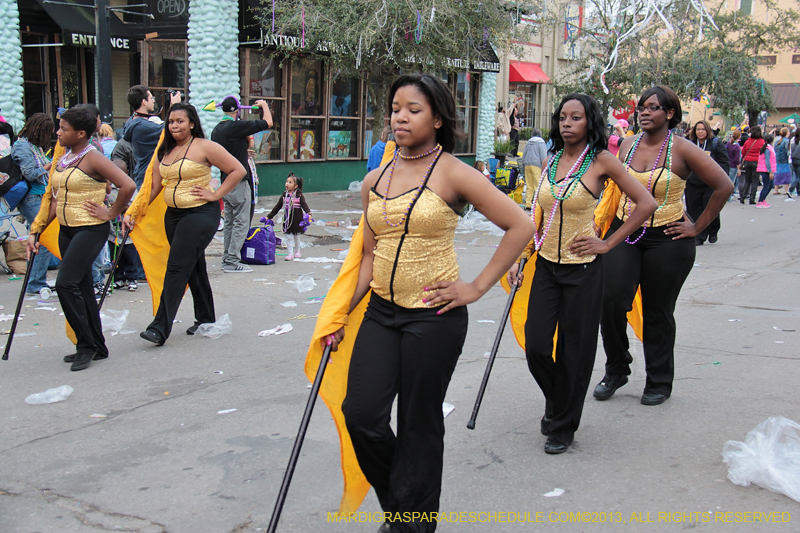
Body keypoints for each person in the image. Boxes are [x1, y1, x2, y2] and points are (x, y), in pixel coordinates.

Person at [328, 74, 534, 532]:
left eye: (414, 109)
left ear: (438, 118)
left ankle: (411, 524)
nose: (400, 116)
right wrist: (341, 312)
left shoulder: (454, 172)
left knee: (420, 424)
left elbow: (520, 225)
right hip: (381, 312)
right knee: (361, 417)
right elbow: (367, 256)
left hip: (435, 316)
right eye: (395, 107)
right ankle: (401, 507)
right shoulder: (373, 179)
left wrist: (476, 287)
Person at [506, 94, 657, 455]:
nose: (566, 122)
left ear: (590, 121)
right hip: (545, 265)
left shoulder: (602, 160)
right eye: (562, 116)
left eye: (575, 117)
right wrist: (520, 255)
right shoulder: (551, 158)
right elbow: (537, 213)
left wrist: (608, 243)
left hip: (584, 271)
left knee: (575, 353)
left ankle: (562, 425)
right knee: (538, 346)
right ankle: (559, 399)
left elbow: (646, 203)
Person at [593, 86, 732, 406]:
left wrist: (697, 226)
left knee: (657, 311)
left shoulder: (683, 150)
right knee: (611, 301)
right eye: (641, 107)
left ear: (670, 113)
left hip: (668, 240)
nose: (643, 112)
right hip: (623, 233)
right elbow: (606, 183)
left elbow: (723, 185)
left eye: (652, 107)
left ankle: (658, 380)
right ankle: (617, 368)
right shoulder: (626, 145)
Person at [122, 103, 246, 345]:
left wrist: (216, 194)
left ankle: (160, 327)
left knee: (177, 266)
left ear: (191, 123)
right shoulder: (165, 151)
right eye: (171, 121)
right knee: (194, 266)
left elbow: (237, 170)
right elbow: (154, 187)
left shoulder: (205, 146)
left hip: (200, 213)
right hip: (174, 215)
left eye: (180, 121)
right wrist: (133, 210)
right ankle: (205, 318)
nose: (175, 125)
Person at [28, 106, 135, 371]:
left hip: (90, 228)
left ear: (81, 134)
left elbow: (128, 185)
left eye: (63, 129)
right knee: (83, 287)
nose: (58, 132)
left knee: (65, 284)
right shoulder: (63, 156)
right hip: (66, 229)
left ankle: (85, 344)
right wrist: (37, 230)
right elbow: (54, 199)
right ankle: (96, 345)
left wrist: (110, 212)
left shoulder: (93, 157)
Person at [210, 96, 273, 273]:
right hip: (238, 181)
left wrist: (243, 152)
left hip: (226, 181)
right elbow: (267, 122)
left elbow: (227, 151)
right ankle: (231, 260)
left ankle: (227, 257)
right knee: (241, 222)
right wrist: (264, 106)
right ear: (237, 111)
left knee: (230, 222)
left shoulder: (217, 130)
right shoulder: (236, 127)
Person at [12, 113, 57, 298]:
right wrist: (50, 165)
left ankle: (37, 281)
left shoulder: (34, 146)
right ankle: (35, 282)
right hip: (30, 197)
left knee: (43, 238)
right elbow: (30, 173)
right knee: (43, 239)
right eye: (47, 133)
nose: (49, 137)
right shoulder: (22, 146)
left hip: (40, 196)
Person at [685, 120, 729, 245]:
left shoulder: (715, 143)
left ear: (708, 130)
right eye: (698, 129)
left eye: (703, 129)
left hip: (710, 183)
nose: (700, 132)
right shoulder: (689, 144)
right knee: (694, 209)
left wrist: (722, 180)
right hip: (692, 182)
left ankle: (713, 230)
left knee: (710, 209)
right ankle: (699, 235)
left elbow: (724, 162)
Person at [267, 173, 312, 261]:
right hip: (287, 221)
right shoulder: (285, 195)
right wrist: (269, 217)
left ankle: (297, 251)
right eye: (287, 181)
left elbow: (304, 205)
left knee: (297, 236)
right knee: (288, 237)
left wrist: (308, 213)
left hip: (297, 220)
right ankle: (290, 253)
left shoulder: (299, 195)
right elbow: (278, 206)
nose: (287, 184)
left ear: (296, 186)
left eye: (290, 182)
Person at [522, 128, 548, 209]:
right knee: (537, 186)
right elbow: (544, 156)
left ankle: (528, 204)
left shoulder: (529, 142)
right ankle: (537, 205)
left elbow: (524, 155)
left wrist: (524, 165)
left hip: (527, 165)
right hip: (537, 166)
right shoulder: (541, 143)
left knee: (529, 186)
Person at [739, 126, 764, 204]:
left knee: (747, 180)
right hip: (756, 161)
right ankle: (752, 198)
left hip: (747, 161)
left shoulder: (747, 141)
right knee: (755, 181)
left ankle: (743, 197)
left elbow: (743, 153)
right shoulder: (762, 141)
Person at [755, 134, 776, 208]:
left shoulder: (767, 148)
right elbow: (768, 161)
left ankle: (763, 199)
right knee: (766, 186)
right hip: (766, 170)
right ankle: (760, 201)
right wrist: (770, 171)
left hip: (765, 169)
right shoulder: (767, 149)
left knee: (770, 185)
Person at [772, 127, 792, 198]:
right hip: (784, 160)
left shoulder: (777, 141)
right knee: (786, 174)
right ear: (787, 133)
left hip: (777, 160)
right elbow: (788, 151)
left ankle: (776, 189)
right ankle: (786, 190)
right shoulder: (787, 141)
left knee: (777, 174)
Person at [726, 130, 742, 200]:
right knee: (731, 182)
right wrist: (738, 168)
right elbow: (737, 159)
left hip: (728, 164)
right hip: (734, 166)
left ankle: (727, 196)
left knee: (727, 181)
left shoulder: (729, 144)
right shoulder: (737, 147)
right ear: (739, 136)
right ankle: (728, 197)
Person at [789, 129, 800, 197]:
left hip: (793, 160)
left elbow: (790, 151)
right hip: (799, 160)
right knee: (798, 177)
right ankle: (791, 189)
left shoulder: (793, 142)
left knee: (796, 176)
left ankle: (798, 191)